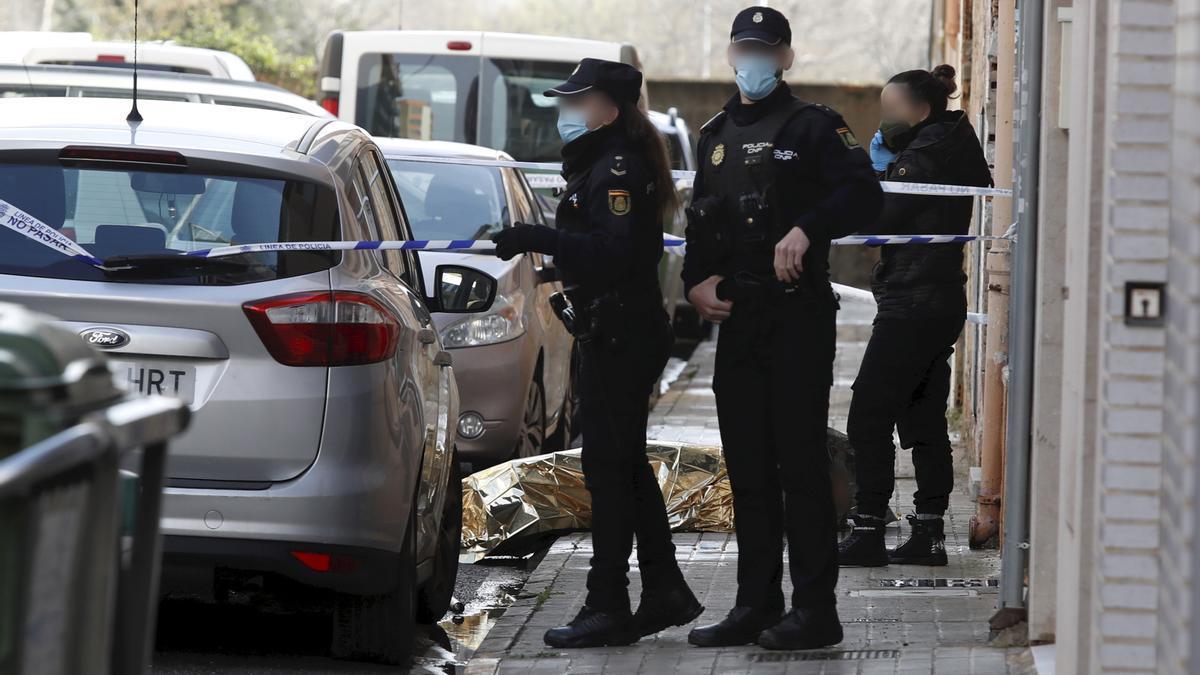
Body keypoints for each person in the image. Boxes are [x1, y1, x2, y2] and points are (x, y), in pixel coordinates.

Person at [681, 6, 883, 650]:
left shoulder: (815, 126)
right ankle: (756, 604)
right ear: (731, 53)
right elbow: (699, 225)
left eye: (768, 49)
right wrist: (696, 283)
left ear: (788, 58)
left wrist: (807, 227)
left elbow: (863, 195)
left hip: (796, 316)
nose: (756, 59)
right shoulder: (714, 133)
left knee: (799, 465)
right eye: (745, 47)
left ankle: (815, 611)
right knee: (747, 469)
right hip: (739, 321)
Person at [492, 57, 703, 648]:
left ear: (608, 108)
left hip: (621, 333)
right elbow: (609, 251)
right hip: (611, 327)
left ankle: (607, 603)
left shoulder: (616, 167)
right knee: (622, 467)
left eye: (577, 102)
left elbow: (617, 253)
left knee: (608, 472)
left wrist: (539, 239)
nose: (568, 113)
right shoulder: (604, 159)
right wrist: (558, 261)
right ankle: (664, 590)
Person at [836, 65, 993, 567]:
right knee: (923, 415)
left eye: (891, 109)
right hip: (932, 297)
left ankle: (867, 528)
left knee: (868, 415)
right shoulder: (940, 144)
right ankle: (928, 534)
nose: (885, 119)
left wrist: (872, 172)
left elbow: (880, 217)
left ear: (920, 110)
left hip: (915, 301)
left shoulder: (926, 154)